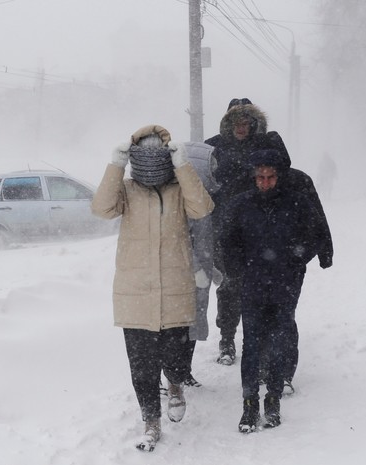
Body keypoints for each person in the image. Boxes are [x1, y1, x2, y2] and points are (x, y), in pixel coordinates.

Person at [91, 124, 214, 451]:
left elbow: (203, 208)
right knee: (142, 367)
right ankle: (150, 422)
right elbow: (101, 209)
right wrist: (115, 165)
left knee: (175, 357)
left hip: (175, 288)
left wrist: (182, 165)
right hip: (135, 294)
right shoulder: (127, 191)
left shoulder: (179, 191)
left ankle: (175, 385)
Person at [219, 149, 324, 433]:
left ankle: (274, 397)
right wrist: (237, 268)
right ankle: (249, 402)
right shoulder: (240, 204)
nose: (265, 183)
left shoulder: (297, 203)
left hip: (285, 283)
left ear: (279, 177)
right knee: (252, 342)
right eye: (260, 178)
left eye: (270, 177)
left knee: (279, 339)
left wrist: (296, 258)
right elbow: (227, 241)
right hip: (252, 282)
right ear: (254, 177)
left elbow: (316, 234)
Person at [175, 141, 219, 388]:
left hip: (197, 278)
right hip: (182, 277)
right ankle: (171, 375)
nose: (215, 169)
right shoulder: (181, 202)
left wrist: (210, 269)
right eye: (210, 165)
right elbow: (178, 241)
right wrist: (196, 269)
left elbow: (201, 241)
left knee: (190, 327)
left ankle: (184, 371)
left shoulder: (200, 198)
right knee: (177, 328)